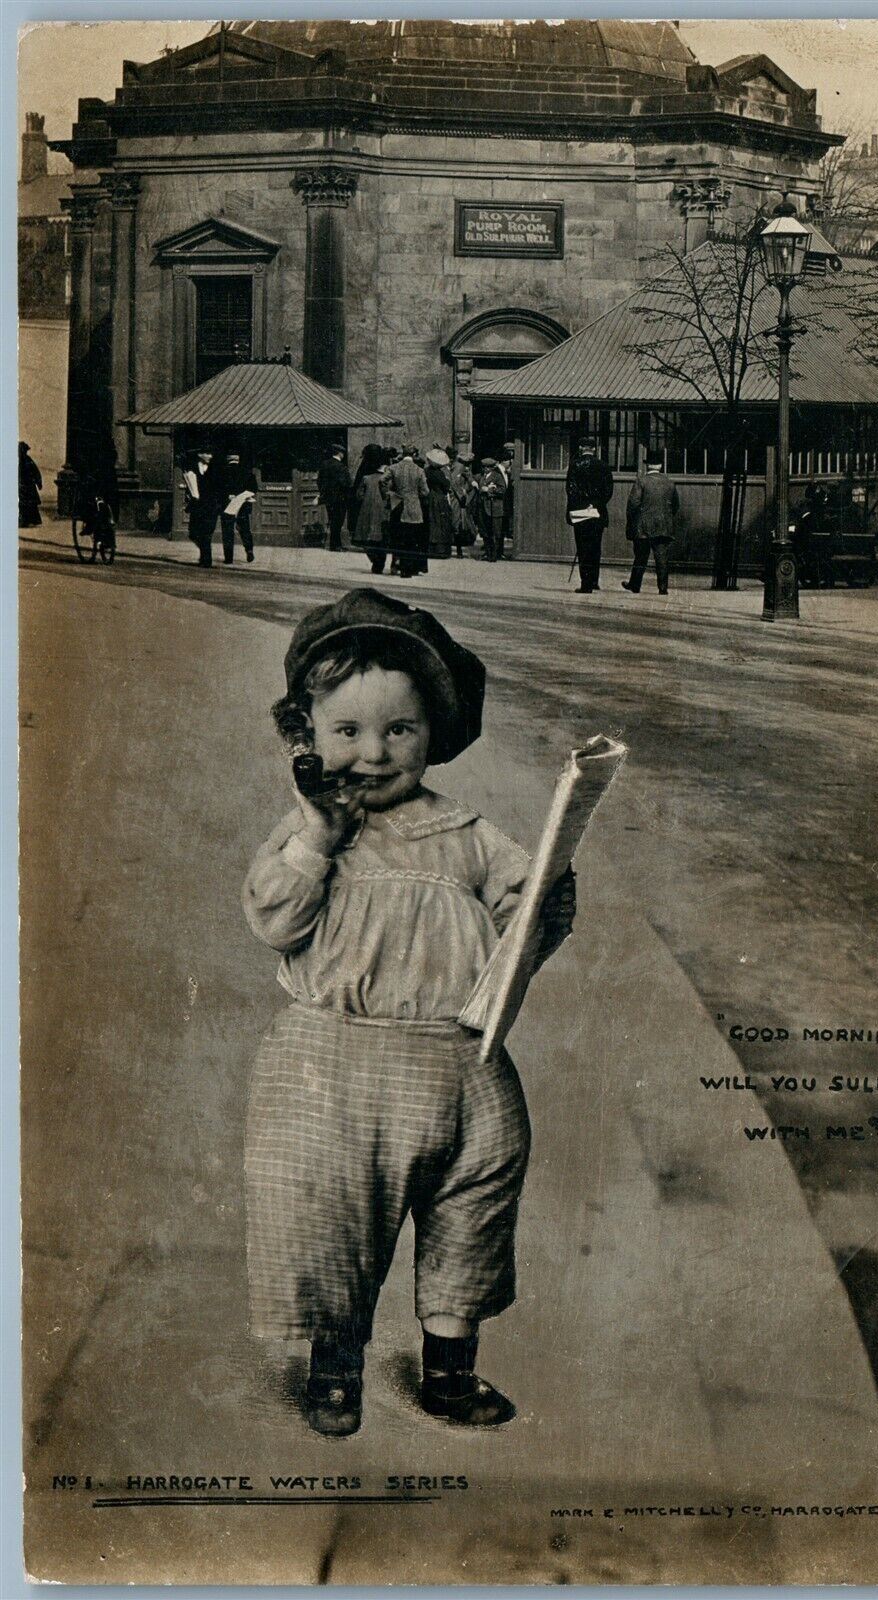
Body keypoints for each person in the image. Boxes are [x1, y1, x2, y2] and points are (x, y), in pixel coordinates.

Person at [242, 587, 577, 1436]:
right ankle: (335, 1367)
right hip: (331, 1068)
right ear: (305, 737)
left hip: (459, 1064)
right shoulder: (307, 833)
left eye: (401, 730)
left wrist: (541, 898)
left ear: (432, 733)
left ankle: (450, 1374)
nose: (375, 752)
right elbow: (275, 920)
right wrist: (318, 838)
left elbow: (531, 910)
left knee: (473, 1208)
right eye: (347, 731)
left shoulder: (468, 833)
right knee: (332, 1219)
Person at [622, 448, 679, 595]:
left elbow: (633, 504)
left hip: (643, 526)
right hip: (663, 526)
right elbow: (675, 505)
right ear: (660, 466)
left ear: (648, 465)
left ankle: (635, 585)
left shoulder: (641, 481)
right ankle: (663, 588)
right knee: (662, 557)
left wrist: (632, 521)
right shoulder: (670, 483)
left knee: (640, 557)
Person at [565, 438, 614, 593]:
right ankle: (594, 581)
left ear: (581, 448)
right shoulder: (603, 466)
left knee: (583, 547)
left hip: (580, 512)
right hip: (597, 512)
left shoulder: (574, 465)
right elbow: (608, 491)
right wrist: (596, 504)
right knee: (595, 547)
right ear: (595, 448)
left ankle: (585, 583)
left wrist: (580, 505)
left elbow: (570, 490)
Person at [351, 444, 391, 575]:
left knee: (367, 536)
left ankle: (376, 561)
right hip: (383, 508)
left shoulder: (364, 470)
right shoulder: (386, 471)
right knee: (381, 536)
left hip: (366, 507)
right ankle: (380, 561)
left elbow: (358, 493)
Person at [389, 446, 428, 578]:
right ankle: (409, 569)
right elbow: (425, 491)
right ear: (414, 455)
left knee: (399, 537)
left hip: (398, 506)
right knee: (412, 539)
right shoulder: (419, 470)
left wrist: (390, 494)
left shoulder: (394, 467)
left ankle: (397, 565)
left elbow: (382, 480)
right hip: (414, 508)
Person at [182, 449, 219, 568]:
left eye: (211, 453)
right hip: (197, 507)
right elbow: (189, 486)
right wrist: (189, 495)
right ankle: (205, 556)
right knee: (193, 533)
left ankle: (206, 560)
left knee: (207, 533)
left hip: (210, 506)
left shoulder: (215, 468)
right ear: (200, 455)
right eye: (207, 453)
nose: (210, 456)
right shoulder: (193, 469)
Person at [220, 452, 257, 564]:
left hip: (227, 505)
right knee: (245, 529)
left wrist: (228, 495)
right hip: (243, 505)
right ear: (238, 460)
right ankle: (249, 550)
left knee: (227, 532)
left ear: (228, 460)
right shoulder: (247, 472)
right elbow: (254, 489)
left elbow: (218, 488)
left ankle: (228, 558)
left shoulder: (222, 472)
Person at [317, 444, 353, 552]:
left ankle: (335, 544)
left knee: (332, 520)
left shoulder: (325, 464)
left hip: (328, 498)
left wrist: (323, 493)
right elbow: (346, 484)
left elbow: (319, 481)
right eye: (343, 453)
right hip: (340, 499)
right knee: (338, 522)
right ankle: (336, 545)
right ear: (339, 453)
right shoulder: (341, 467)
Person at [424, 448, 454, 559]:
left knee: (431, 522)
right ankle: (440, 549)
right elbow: (446, 486)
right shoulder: (439, 473)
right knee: (441, 523)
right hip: (439, 498)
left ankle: (430, 548)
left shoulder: (426, 471)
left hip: (429, 497)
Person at [477, 456, 507, 562]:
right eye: (484, 467)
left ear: (491, 468)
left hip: (494, 508)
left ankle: (494, 555)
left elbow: (502, 490)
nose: (485, 469)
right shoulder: (482, 477)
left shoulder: (497, 476)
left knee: (495, 532)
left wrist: (489, 490)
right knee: (485, 532)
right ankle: (488, 553)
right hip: (484, 508)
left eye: (487, 467)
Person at [449, 451, 479, 557]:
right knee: (457, 522)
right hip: (457, 500)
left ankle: (459, 549)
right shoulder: (459, 467)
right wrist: (462, 494)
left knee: (460, 522)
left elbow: (467, 476)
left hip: (459, 498)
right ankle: (458, 550)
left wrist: (472, 482)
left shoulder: (461, 466)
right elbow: (454, 482)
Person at [18, 442, 43, 527]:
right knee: (27, 505)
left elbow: (35, 472)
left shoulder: (27, 460)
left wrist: (39, 482)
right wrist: (38, 482)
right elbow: (36, 472)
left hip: (27, 486)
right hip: (25, 486)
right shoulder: (26, 460)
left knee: (28, 504)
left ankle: (27, 521)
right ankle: (25, 521)